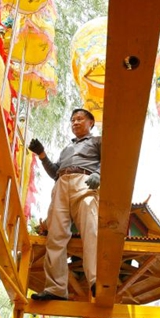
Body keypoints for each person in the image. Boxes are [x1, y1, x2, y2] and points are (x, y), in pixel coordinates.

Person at [27, 108, 101, 301]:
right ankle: (56, 289)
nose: (75, 122)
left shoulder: (97, 141)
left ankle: (96, 281)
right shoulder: (66, 149)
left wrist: (99, 175)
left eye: (80, 119)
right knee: (55, 235)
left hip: (84, 182)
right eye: (72, 120)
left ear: (91, 122)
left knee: (91, 228)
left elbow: (110, 160)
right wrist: (42, 154)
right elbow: (54, 173)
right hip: (61, 184)